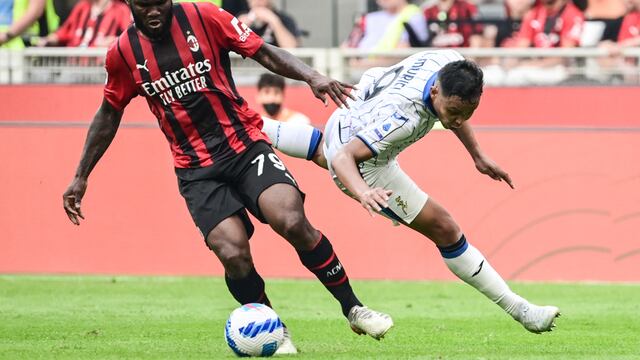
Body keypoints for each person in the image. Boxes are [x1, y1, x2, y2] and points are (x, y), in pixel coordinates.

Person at [61, 0, 393, 355]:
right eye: (145, 5)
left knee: (291, 220)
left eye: (160, 2)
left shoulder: (205, 17)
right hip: (196, 168)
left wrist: (311, 75)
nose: (154, 11)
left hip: (245, 145)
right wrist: (81, 175)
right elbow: (109, 112)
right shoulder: (123, 54)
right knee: (233, 252)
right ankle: (272, 330)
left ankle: (353, 308)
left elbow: (262, 51)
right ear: (129, 4)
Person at [261, 49, 561, 334]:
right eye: (454, 111)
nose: (458, 120)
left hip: (353, 112)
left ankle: (250, 124)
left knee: (324, 147)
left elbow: (455, 109)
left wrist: (477, 155)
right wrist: (364, 192)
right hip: (360, 163)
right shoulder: (405, 117)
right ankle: (521, 310)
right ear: (434, 93)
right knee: (445, 228)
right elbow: (343, 158)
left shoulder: (450, 63)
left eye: (467, 113)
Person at [35, 0, 131, 47]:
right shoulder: (82, 7)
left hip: (100, 67)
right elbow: (65, 31)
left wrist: (113, 41)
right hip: (75, 64)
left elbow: (130, 38)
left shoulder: (120, 10)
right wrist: (48, 39)